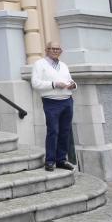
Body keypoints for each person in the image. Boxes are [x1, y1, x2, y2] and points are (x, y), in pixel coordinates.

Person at [31, 41, 77, 172]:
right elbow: (35, 83)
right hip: (51, 101)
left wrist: (74, 85)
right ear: (47, 50)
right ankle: (50, 161)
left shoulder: (63, 65)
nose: (55, 51)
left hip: (67, 100)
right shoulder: (39, 64)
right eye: (52, 49)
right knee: (53, 131)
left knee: (65, 131)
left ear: (60, 51)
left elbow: (70, 79)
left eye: (57, 49)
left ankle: (61, 159)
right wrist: (54, 84)